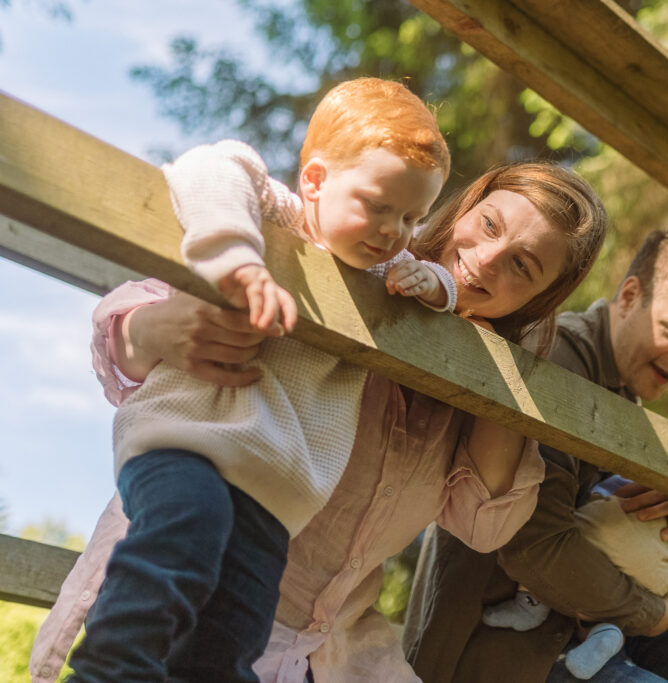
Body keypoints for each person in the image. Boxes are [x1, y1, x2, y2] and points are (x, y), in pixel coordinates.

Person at [31, 157, 608, 682]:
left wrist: (508, 362)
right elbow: (128, 336)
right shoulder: (352, 247)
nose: (485, 259)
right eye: (488, 225)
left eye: (522, 266)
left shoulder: (479, 382)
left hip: (331, 655)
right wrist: (151, 328)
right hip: (186, 586)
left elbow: (486, 526)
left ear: (537, 301)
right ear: (464, 208)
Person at [64, 77, 454, 683]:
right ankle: (110, 667)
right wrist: (240, 259)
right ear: (316, 182)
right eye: (377, 205)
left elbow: (436, 284)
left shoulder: (383, 274)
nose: (391, 230)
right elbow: (213, 166)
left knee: (235, 629)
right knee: (182, 537)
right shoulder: (285, 218)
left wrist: (437, 286)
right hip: (189, 441)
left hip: (276, 491)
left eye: (411, 216)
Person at [403, 229, 668, 683]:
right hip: (505, 645)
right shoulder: (558, 357)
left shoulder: (629, 401)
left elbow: (644, 533)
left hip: (596, 630)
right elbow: (532, 546)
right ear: (630, 296)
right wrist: (654, 614)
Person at [480, 474, 668, 680]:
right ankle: (607, 630)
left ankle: (530, 604)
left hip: (610, 531)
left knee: (566, 547)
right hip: (665, 568)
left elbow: (541, 546)